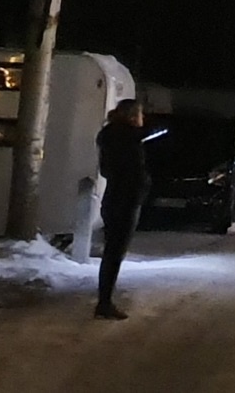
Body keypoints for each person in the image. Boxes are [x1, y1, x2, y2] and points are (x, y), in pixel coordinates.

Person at [94, 99, 150, 320]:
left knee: (112, 251)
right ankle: (104, 302)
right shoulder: (129, 140)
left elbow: (108, 170)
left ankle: (104, 300)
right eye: (140, 114)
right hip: (125, 201)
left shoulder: (110, 137)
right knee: (115, 253)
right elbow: (134, 171)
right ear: (132, 116)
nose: (143, 118)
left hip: (113, 198)